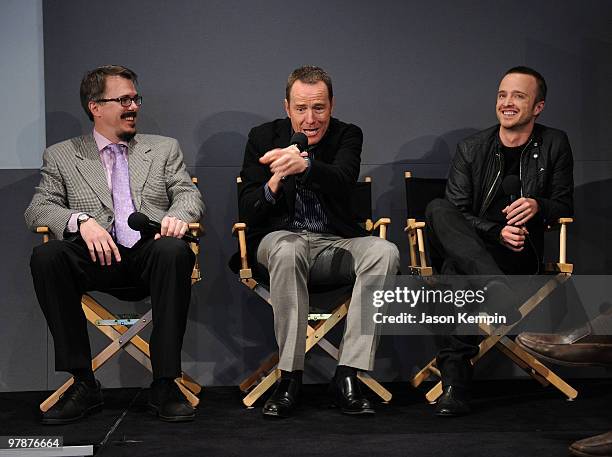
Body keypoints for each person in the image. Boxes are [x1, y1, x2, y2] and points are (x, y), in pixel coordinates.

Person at [25, 65, 204, 424]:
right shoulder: (62, 156)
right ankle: (83, 382)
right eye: (123, 99)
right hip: (96, 257)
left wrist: (178, 217)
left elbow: (188, 194)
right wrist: (80, 221)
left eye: (135, 98)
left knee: (173, 250)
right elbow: (38, 209)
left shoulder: (163, 148)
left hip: (149, 253)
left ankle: (165, 382)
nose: (133, 106)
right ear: (95, 106)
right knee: (47, 256)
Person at [236, 65, 400, 418]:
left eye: (319, 108)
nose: (310, 119)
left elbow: (343, 179)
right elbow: (249, 208)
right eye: (301, 108)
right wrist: (277, 177)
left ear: (332, 105)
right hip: (278, 242)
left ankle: (347, 375)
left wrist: (306, 167)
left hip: (333, 243)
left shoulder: (347, 135)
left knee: (384, 251)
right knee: (289, 246)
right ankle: (289, 377)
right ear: (286, 107)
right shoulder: (262, 137)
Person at [424, 66, 574, 416]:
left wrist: (539, 206)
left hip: (519, 253)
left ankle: (454, 385)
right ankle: (493, 286)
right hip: (477, 247)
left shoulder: (554, 143)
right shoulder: (472, 148)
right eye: (502, 95)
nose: (507, 103)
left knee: (452, 273)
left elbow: (565, 206)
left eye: (518, 96)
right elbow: (456, 214)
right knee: (438, 208)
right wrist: (494, 231)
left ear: (538, 107)